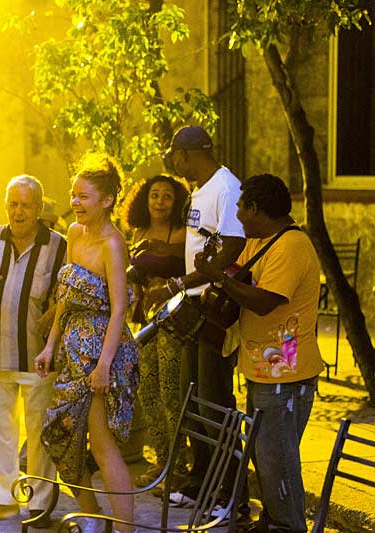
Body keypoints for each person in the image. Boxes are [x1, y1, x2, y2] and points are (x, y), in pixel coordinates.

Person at [194, 174, 323, 533]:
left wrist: (219, 279)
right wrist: (216, 268)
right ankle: (271, 522)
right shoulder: (261, 241)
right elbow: (241, 278)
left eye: (240, 207)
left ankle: (287, 526)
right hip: (262, 365)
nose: (237, 214)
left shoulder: (292, 245)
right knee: (265, 459)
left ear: (255, 208)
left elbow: (265, 301)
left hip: (286, 368)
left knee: (277, 462)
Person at [35, 156, 139, 533]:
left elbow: (119, 310)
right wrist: (50, 346)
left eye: (84, 197)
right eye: (73, 195)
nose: (75, 203)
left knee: (101, 444)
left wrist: (104, 366)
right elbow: (65, 295)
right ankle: (95, 518)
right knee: (61, 437)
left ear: (107, 200)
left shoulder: (114, 244)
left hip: (103, 352)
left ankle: (123, 529)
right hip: (73, 351)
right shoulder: (75, 235)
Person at [146, 125, 247, 514]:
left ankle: (233, 495)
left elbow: (233, 248)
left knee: (214, 402)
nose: (172, 162)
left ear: (185, 154)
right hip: (191, 305)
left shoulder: (226, 187)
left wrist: (178, 283)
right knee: (193, 400)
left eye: (173, 155)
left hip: (214, 308)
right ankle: (202, 482)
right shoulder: (198, 191)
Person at [0, 176, 66, 523]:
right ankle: (4, 500)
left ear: (39, 208)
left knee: (39, 434)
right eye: (13, 204)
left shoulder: (58, 245)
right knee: (0, 432)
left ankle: (38, 504)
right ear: (6, 206)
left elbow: (68, 296)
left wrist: (53, 311)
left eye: (26, 205)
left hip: (39, 358)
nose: (18, 212)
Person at [119, 175, 189, 486]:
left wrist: (162, 249)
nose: (159, 202)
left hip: (174, 322)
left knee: (171, 394)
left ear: (177, 203)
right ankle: (162, 462)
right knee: (147, 394)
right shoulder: (138, 232)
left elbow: (187, 266)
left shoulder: (183, 233)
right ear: (144, 200)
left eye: (167, 197)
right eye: (154, 195)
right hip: (145, 323)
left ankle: (178, 467)